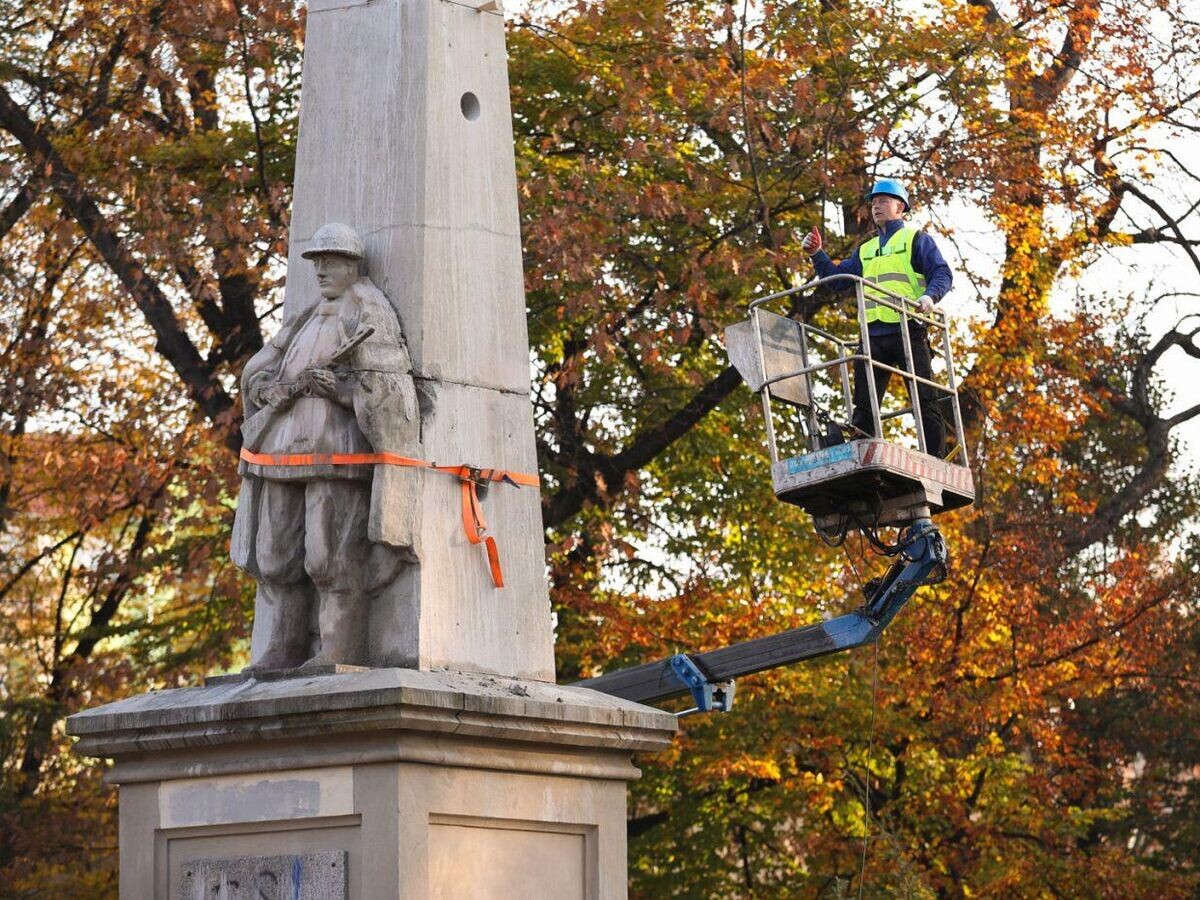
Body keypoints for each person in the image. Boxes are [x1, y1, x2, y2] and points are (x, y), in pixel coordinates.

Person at [231, 222, 419, 671]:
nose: (321, 271)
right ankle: (284, 644)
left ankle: (338, 646)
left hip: (338, 453)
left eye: (330, 262)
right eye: (317, 262)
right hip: (279, 453)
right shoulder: (304, 316)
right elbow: (261, 370)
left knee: (328, 554)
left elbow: (387, 391)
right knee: (275, 553)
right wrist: (267, 390)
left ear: (353, 266)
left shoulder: (368, 313)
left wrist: (336, 389)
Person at [800, 179, 952, 457]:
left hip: (909, 329)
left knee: (924, 399)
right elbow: (836, 280)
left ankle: (935, 459)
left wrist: (929, 297)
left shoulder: (915, 239)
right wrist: (817, 255)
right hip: (874, 335)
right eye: (873, 202)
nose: (876, 206)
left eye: (882, 200)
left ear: (900, 207)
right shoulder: (866, 249)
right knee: (865, 406)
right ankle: (861, 453)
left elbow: (942, 273)